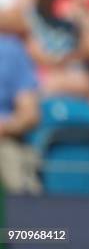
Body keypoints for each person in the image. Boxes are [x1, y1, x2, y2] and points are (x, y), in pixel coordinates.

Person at [0, 34, 41, 194]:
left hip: (5, 140)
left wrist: (4, 127)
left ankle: (25, 215)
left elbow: (30, 114)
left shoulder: (11, 52)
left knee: (10, 157)